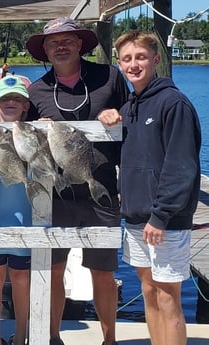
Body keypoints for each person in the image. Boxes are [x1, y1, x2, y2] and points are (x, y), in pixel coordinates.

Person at [25, 17, 129, 345]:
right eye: (53, 42)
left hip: (102, 193)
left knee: (103, 272)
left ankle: (109, 339)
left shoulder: (109, 77)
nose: (61, 46)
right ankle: (52, 337)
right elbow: (26, 146)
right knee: (53, 270)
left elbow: (133, 127)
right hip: (55, 197)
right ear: (45, 49)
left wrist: (118, 116)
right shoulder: (36, 89)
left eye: (67, 40)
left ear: (80, 44)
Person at [114, 31, 200, 345]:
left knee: (168, 295)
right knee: (147, 292)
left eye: (140, 57)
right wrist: (115, 115)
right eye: (126, 59)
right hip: (136, 217)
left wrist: (161, 216)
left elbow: (182, 167)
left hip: (165, 221)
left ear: (155, 60)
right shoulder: (132, 106)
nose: (133, 64)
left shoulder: (173, 103)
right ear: (119, 63)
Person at [0, 75, 32, 345]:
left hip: (26, 218)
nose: (11, 103)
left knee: (22, 277)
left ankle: (21, 334)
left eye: (17, 99)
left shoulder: (34, 133)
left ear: (26, 105)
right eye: (5, 99)